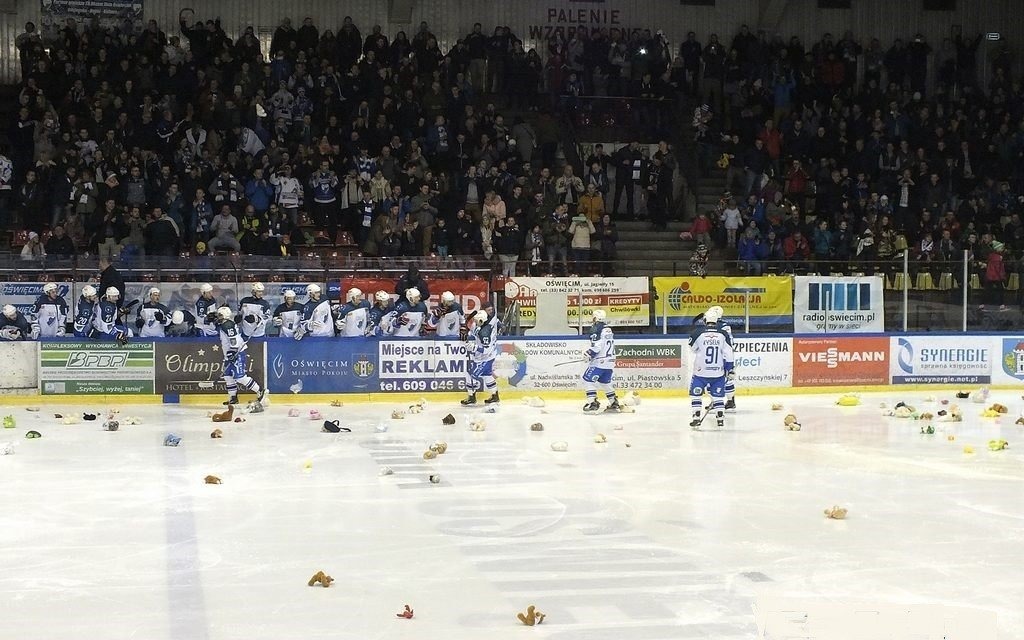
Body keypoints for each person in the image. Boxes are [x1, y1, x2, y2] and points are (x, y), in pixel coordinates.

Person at [687, 305, 733, 430]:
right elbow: (729, 353)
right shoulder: (723, 333)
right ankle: (720, 419)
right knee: (718, 396)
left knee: (696, 395)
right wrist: (730, 368)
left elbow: (692, 348)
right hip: (717, 372)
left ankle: (696, 417)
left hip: (701, 372)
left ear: (705, 320)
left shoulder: (697, 332)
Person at [215, 306, 268, 410]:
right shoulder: (224, 324)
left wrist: (233, 352)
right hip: (229, 354)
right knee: (228, 375)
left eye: (220, 315)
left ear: (225, 316)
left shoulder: (227, 325)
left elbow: (233, 340)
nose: (218, 317)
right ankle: (233, 397)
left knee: (239, 377)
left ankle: (260, 390)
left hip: (236, 352)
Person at [582, 309, 621, 413]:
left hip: (600, 361)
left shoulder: (596, 329)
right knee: (604, 382)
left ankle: (592, 403)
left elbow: (597, 346)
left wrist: (588, 354)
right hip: (610, 361)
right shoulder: (608, 329)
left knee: (587, 379)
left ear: (595, 318)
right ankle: (614, 403)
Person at [461, 309, 499, 406]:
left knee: (470, 375)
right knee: (486, 375)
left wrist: (475, 347)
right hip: (488, 357)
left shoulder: (485, 333)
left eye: (477, 321)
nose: (475, 322)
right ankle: (495, 396)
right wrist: (466, 332)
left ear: (482, 321)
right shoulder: (482, 325)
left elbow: (486, 350)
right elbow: (474, 331)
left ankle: (471, 397)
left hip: (485, 358)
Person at [704, 305, 737, 410]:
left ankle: (716, 401)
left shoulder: (715, 327)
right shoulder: (725, 325)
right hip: (727, 355)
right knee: (728, 379)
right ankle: (730, 401)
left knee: (711, 378)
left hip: (719, 357)